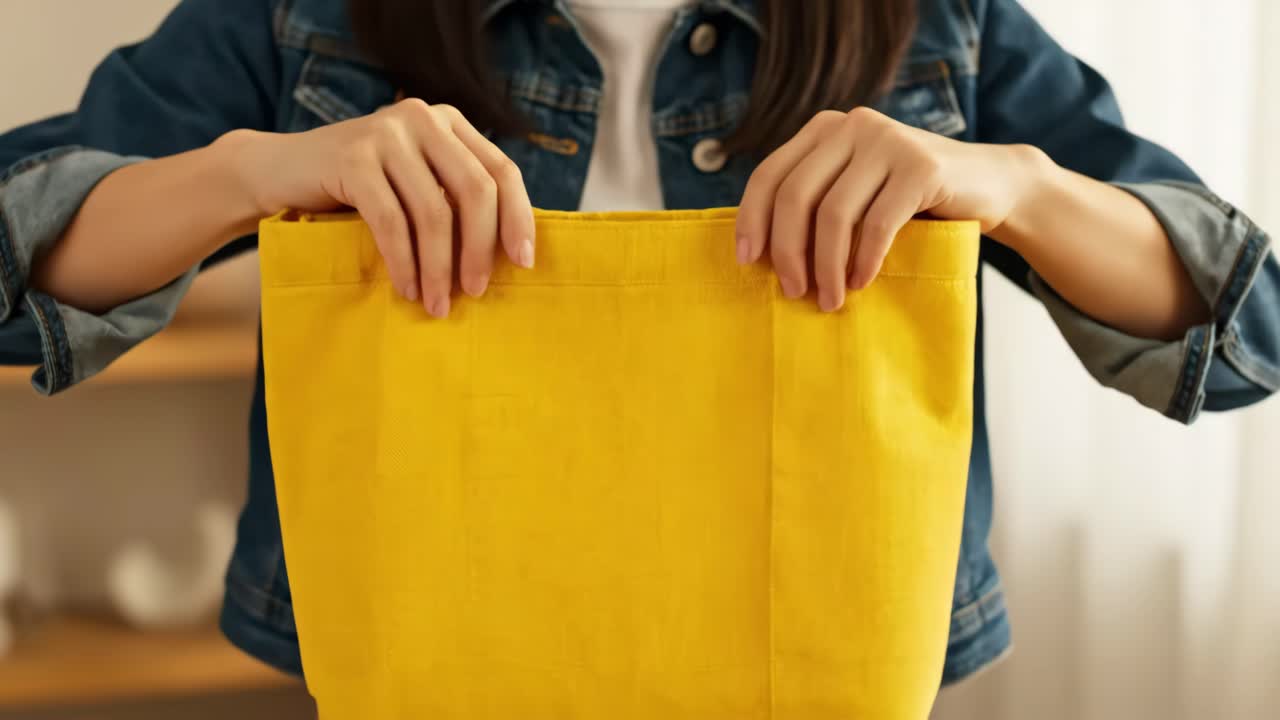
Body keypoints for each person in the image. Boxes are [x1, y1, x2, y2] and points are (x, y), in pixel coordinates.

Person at [0, 0, 1276, 686]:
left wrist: (1013, 186)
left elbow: (1247, 326)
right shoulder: (304, 14)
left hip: (813, 658)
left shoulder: (933, 20)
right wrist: (249, 172)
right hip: (420, 652)